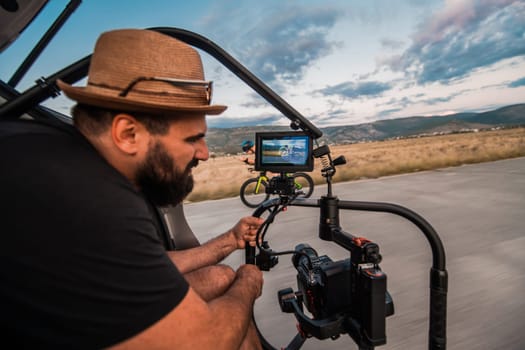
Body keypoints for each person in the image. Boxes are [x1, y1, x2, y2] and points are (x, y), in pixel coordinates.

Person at [0, 29, 264, 349]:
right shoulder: (85, 196)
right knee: (234, 295)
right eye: (192, 138)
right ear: (128, 134)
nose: (204, 153)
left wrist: (230, 241)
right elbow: (205, 343)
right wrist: (249, 284)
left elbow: (146, 266)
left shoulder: (52, 150)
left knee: (220, 277)